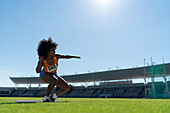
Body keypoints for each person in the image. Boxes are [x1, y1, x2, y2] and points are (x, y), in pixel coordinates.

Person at [36, 37, 80, 102]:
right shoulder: (43, 60)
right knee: (54, 80)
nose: (54, 51)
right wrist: (40, 61)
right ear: (47, 52)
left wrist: (74, 57)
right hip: (44, 75)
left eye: (54, 50)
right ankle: (46, 98)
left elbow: (65, 56)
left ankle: (53, 96)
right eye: (53, 50)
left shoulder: (56, 57)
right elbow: (38, 71)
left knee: (67, 88)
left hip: (54, 75)